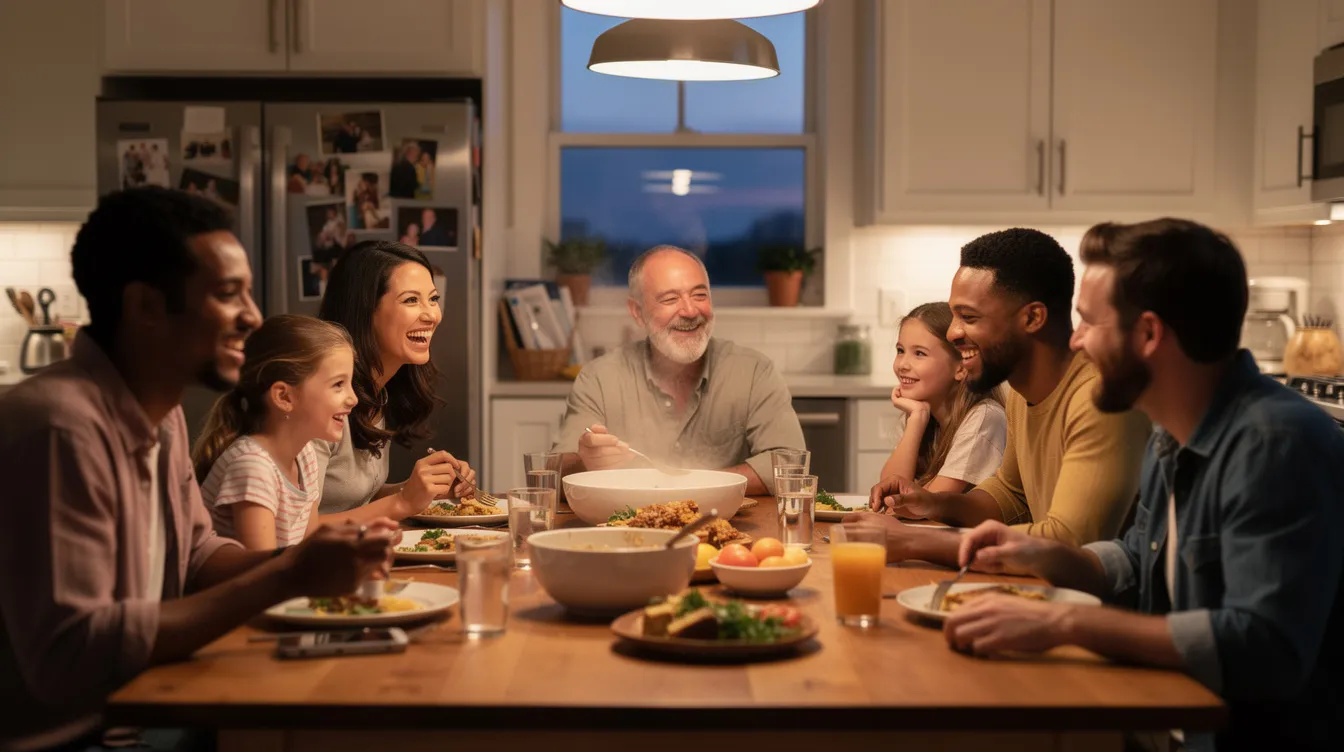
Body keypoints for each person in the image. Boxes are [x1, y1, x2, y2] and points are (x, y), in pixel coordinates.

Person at [0, 187, 396, 751]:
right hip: (78, 736)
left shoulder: (161, 419)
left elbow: (197, 557)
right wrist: (288, 578)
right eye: (228, 294)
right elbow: (72, 653)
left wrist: (300, 558)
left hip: (146, 704)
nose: (253, 317)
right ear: (145, 307)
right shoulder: (61, 427)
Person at [944, 219, 1344, 752]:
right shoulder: (1171, 430)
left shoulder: (1274, 445)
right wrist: (1036, 553)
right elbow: (1137, 561)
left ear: (1150, 335)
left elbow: (1264, 647)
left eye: (1089, 322)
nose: (1077, 340)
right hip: (1164, 721)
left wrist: (1064, 622)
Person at [848, 228, 1151, 566]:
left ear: (1033, 318)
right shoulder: (1024, 393)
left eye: (970, 317)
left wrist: (914, 541)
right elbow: (1009, 494)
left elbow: (1068, 542)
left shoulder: (1098, 399)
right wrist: (933, 503)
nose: (953, 332)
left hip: (1096, 610)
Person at [554, 245, 805, 496]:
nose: (690, 311)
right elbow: (554, 474)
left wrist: (683, 485)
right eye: (670, 299)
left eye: (699, 295)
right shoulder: (599, 378)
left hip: (727, 529)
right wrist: (586, 460)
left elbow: (789, 465)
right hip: (627, 530)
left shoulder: (754, 372)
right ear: (638, 313)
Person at [314, 240, 477, 522]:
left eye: (434, 299)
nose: (432, 315)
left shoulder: (380, 392)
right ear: (365, 310)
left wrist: (423, 491)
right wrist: (402, 502)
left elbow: (355, 500)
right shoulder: (321, 399)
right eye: (411, 300)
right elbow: (294, 531)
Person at [194, 315, 358, 550]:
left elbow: (304, 551)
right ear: (284, 397)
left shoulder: (305, 456)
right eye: (338, 384)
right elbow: (261, 574)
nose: (353, 398)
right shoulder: (252, 467)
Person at [879, 302, 1007, 492]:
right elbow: (886, 492)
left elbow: (928, 503)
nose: (902, 364)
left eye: (919, 354)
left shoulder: (984, 418)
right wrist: (917, 419)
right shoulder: (924, 415)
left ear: (962, 368)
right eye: (900, 350)